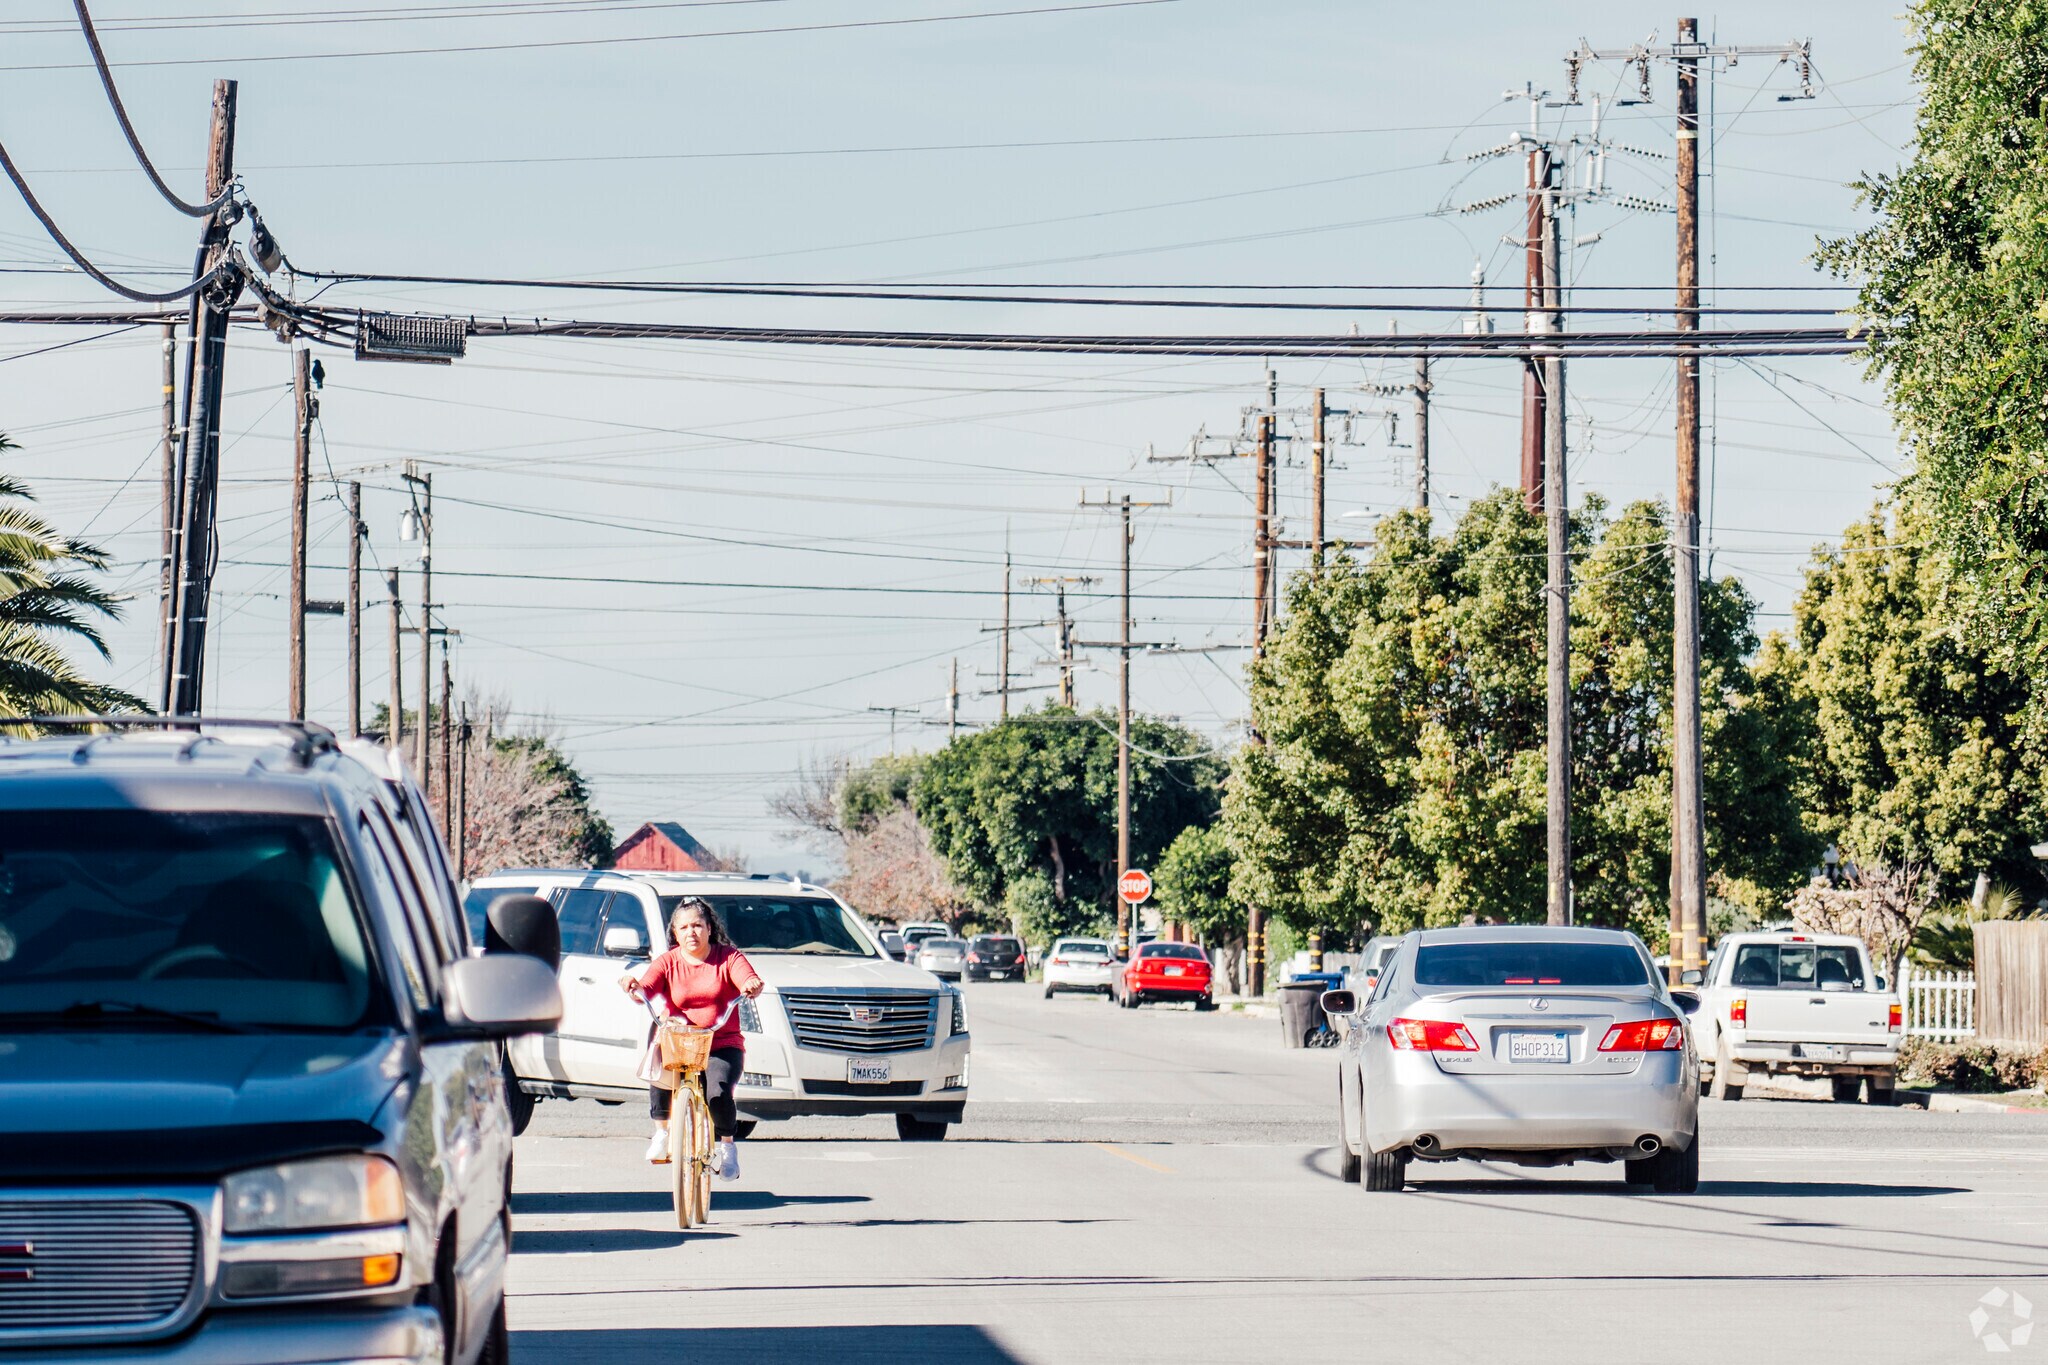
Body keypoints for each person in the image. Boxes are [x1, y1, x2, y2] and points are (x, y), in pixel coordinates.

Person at [620, 897, 764, 1178]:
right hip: (680, 1041)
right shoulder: (668, 961)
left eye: (698, 925)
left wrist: (751, 984)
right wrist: (634, 987)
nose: (691, 932)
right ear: (675, 933)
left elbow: (746, 976)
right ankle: (661, 1133)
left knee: (718, 1093)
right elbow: (646, 987)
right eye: (684, 927)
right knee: (660, 1070)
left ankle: (727, 1147)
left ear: (710, 928)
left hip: (720, 1043)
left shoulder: (728, 957)